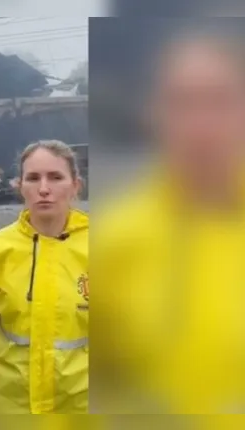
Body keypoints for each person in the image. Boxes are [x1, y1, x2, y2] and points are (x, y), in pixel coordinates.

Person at [93, 26, 245, 413]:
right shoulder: (116, 242)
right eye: (183, 103)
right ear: (153, 114)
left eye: (219, 101)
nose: (201, 126)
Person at [0, 140, 88, 414]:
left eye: (56, 177)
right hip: (11, 404)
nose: (44, 189)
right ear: (19, 185)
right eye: (33, 178)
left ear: (75, 186)